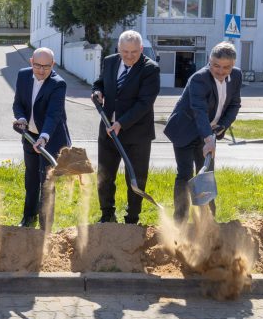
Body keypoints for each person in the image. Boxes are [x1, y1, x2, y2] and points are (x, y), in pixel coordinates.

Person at [164, 41, 242, 223]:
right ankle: (180, 222)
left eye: (226, 67)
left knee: (206, 174)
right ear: (209, 60)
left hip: (208, 132)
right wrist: (208, 138)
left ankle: (208, 222)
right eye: (216, 65)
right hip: (185, 130)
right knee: (185, 174)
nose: (221, 71)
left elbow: (234, 104)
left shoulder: (236, 76)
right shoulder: (199, 79)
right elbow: (199, 110)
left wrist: (221, 126)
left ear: (233, 65)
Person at [92, 30, 160, 224]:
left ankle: (132, 218)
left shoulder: (150, 69)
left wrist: (121, 123)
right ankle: (107, 214)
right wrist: (97, 91)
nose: (129, 56)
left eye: (134, 52)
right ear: (118, 49)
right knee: (104, 176)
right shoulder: (110, 61)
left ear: (141, 49)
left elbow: (144, 103)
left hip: (137, 134)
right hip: (108, 131)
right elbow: (100, 82)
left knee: (136, 179)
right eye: (125, 52)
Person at [12, 47, 71, 229]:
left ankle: (46, 226)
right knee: (31, 179)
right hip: (29, 136)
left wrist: (44, 137)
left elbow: (53, 115)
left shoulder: (58, 84)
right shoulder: (23, 76)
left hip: (50, 139)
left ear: (53, 65)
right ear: (31, 62)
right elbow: (18, 104)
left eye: (46, 66)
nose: (41, 70)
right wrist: (21, 118)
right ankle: (29, 217)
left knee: (46, 182)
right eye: (37, 65)